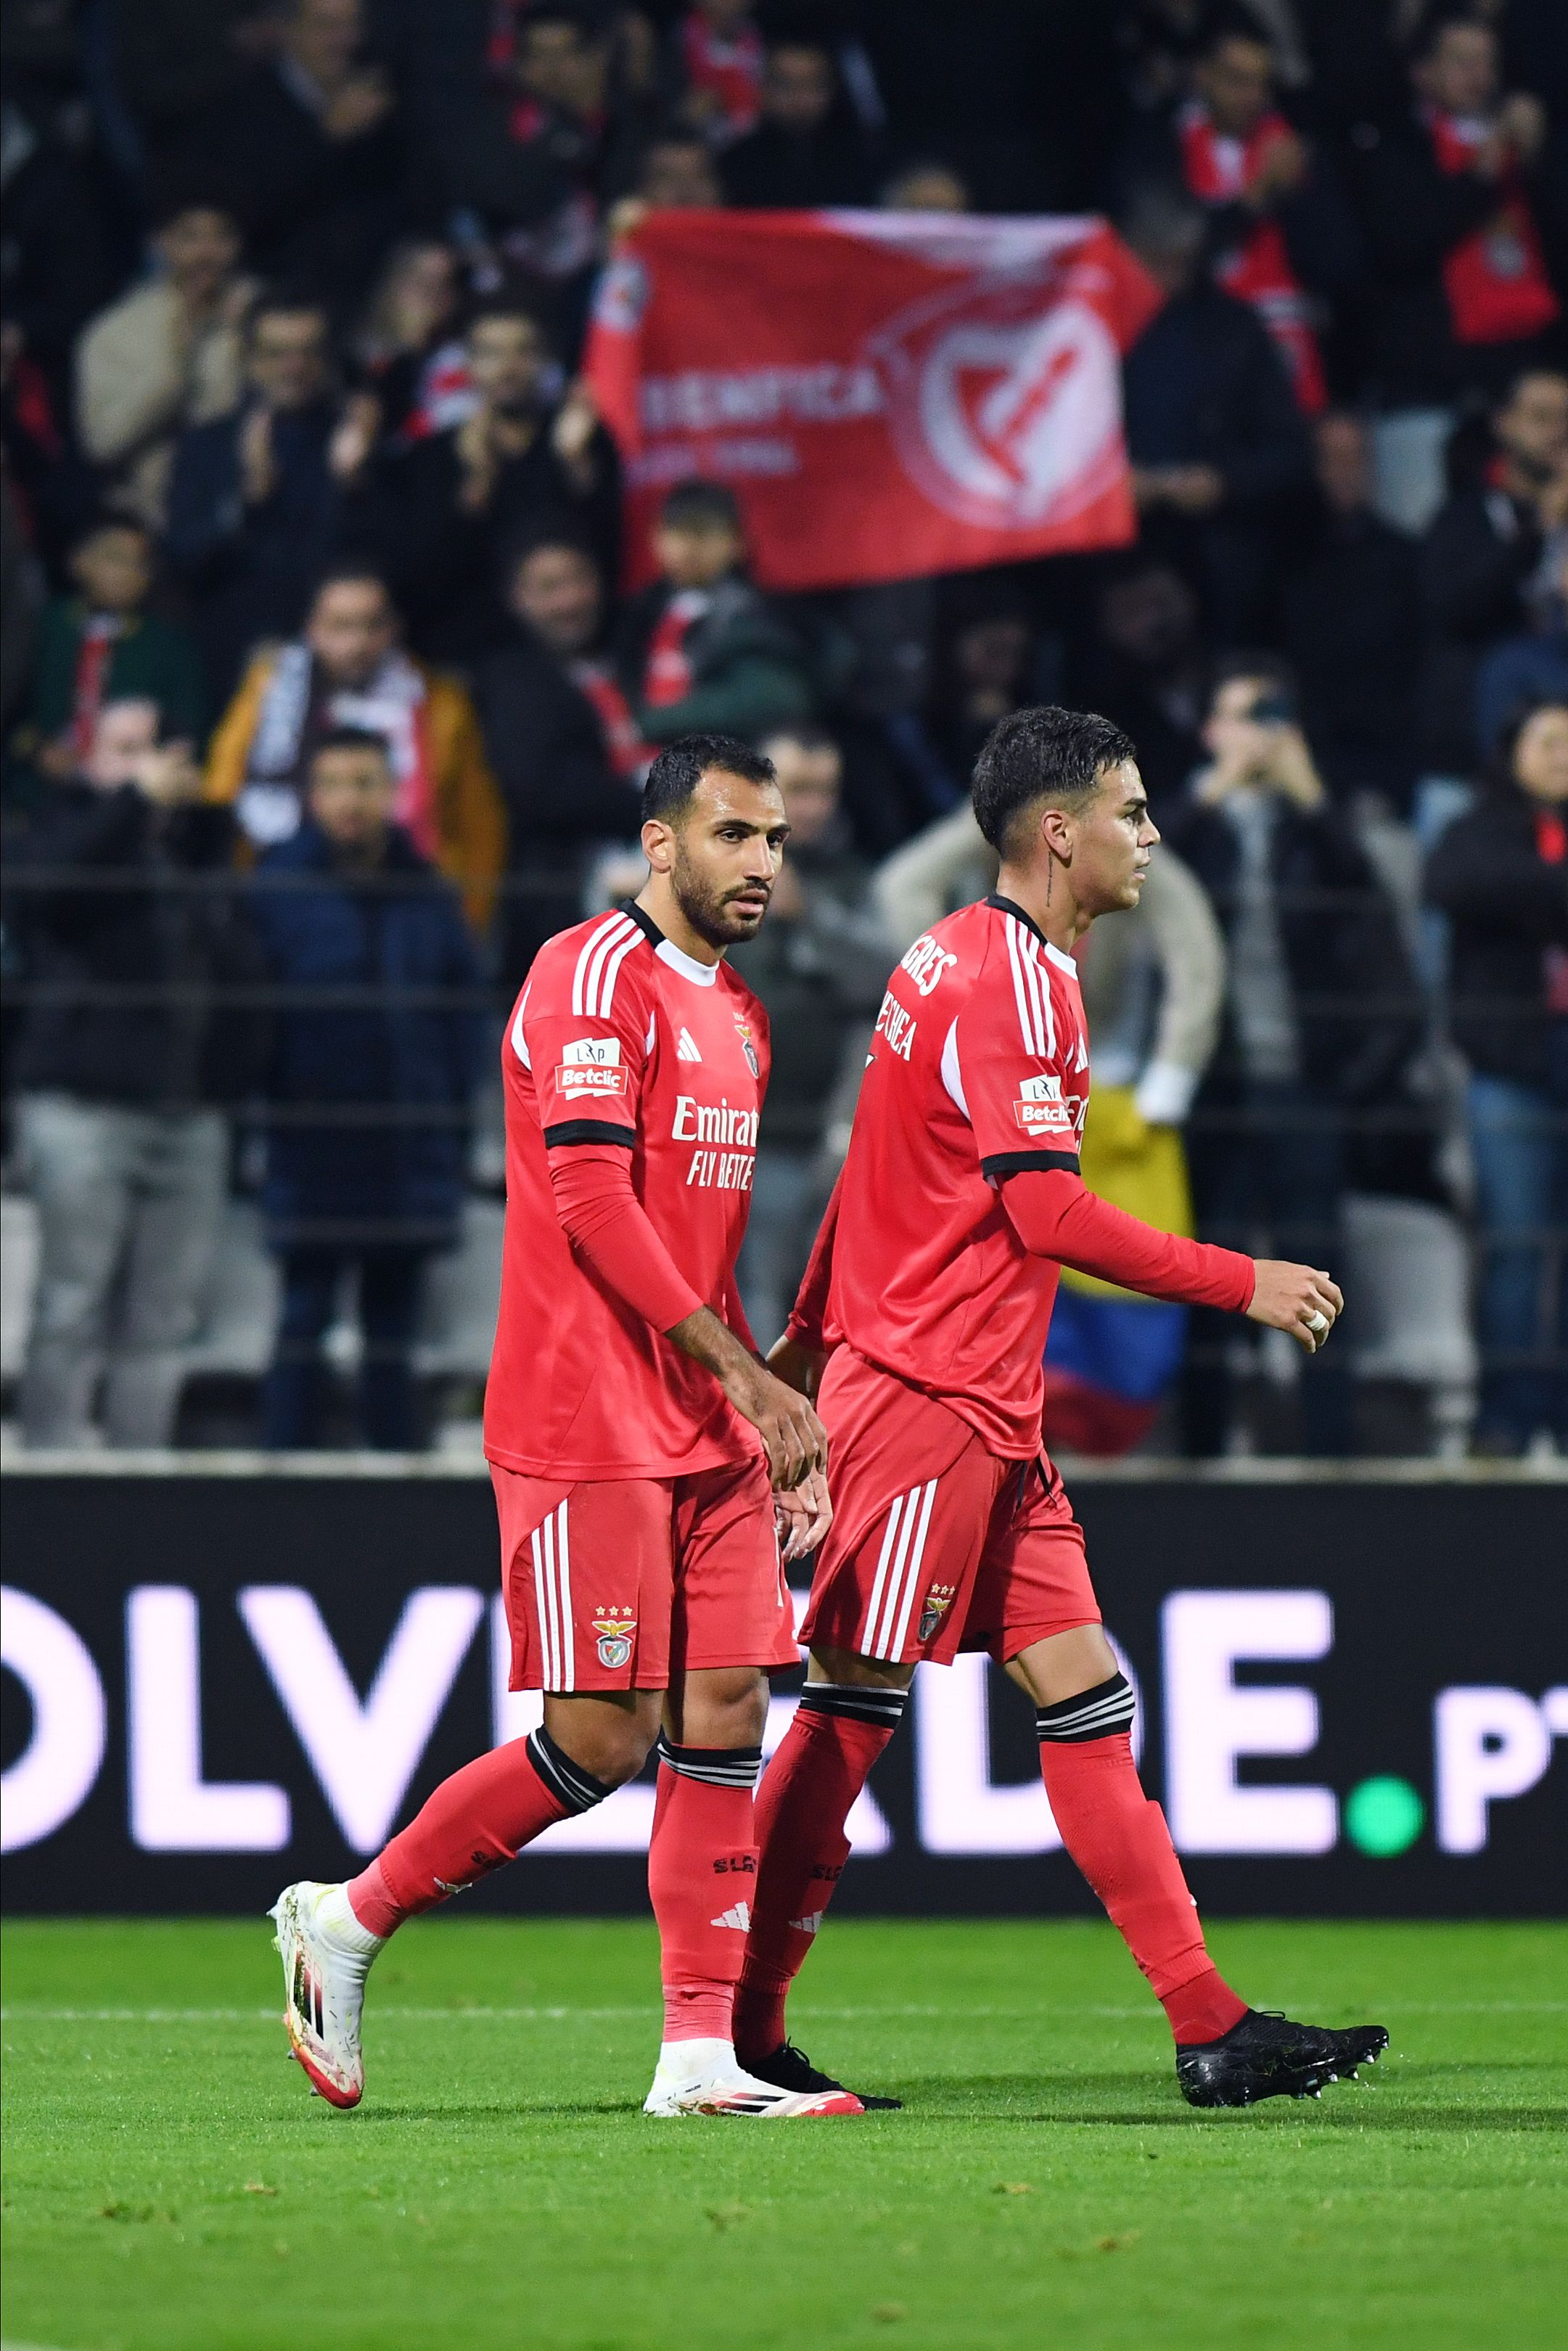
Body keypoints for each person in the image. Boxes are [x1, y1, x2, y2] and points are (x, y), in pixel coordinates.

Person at [735, 704, 1387, 2111]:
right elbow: (1041, 1211)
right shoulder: (1018, 982)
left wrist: (799, 1347)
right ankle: (731, 2032)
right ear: (1058, 832)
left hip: (982, 1405)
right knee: (848, 1705)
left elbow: (869, 1175)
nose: (1150, 837)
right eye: (1131, 813)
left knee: (1087, 1691)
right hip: (927, 1396)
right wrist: (1240, 1283)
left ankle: (1209, 2027)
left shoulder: (947, 957)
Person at [268, 734, 861, 2122]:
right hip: (583, 1413)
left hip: (701, 1418)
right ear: (661, 846)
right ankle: (346, 1920)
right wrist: (758, 1380)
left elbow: (700, 1247)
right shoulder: (587, 976)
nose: (762, 863)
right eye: (732, 836)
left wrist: (767, 1404)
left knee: (727, 1707)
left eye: (774, 840)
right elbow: (594, 1207)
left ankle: (700, 2063)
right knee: (601, 1738)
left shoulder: (745, 1016)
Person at [1163, 661, 1421, 1456]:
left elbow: (1367, 901)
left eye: (1271, 716)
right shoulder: (1185, 820)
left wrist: (1309, 794)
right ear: (1210, 730)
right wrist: (1216, 787)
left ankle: (1326, 1447)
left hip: (1303, 1082)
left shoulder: (1313, 826)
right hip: (1214, 1083)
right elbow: (1143, 878)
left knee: (1316, 1272)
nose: (1258, 734)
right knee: (1204, 1266)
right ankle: (1201, 1447)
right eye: (1242, 716)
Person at [9, 698, 261, 1448]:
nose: (149, 765)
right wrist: (128, 804)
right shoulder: (60, 829)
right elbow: (44, 894)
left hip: (188, 1114)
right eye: (125, 749)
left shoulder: (199, 850)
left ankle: (140, 1476)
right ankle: (52, 1478)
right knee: (69, 1306)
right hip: (83, 1110)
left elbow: (241, 971)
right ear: (91, 760)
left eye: (158, 748)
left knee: (161, 1320)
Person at [250, 726, 486, 1451]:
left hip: (405, 1144)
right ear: (311, 795)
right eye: (334, 783)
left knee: (395, 1333)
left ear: (393, 792)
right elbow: (253, 1024)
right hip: (308, 1146)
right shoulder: (274, 891)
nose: (350, 800)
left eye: (365, 782)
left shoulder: (430, 894)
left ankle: (396, 1494)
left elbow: (461, 1024)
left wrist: (451, 1133)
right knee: (302, 1320)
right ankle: (279, 1478)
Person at [202, 563, 506, 935]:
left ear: (394, 628)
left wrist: (468, 922)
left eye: (371, 625)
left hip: (409, 908)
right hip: (282, 906)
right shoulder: (269, 690)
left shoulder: (440, 706)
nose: (356, 643)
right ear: (311, 628)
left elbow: (478, 825)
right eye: (340, 626)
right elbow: (222, 790)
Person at [1356, 8, 1564, 530]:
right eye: (1462, 62)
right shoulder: (1391, 148)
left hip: (1527, 388)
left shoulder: (1527, 146)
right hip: (1431, 393)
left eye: (1487, 63)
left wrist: (1538, 166)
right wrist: (1478, 177)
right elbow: (1397, 247)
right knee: (1427, 544)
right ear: (1421, 72)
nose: (1479, 77)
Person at [1426, 699, 1568, 1455]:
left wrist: (1532, 898)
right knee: (1514, 1247)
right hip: (1510, 1065)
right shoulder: (1474, 826)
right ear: (1510, 750)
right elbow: (1452, 883)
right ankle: (1506, 1419)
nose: (1561, 755)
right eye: (1548, 740)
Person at [729, 726, 896, 1345]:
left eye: (824, 792)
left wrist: (808, 922)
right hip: (732, 1130)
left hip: (822, 1136)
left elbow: (891, 977)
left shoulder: (851, 881)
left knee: (803, 1300)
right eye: (797, 790)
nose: (813, 808)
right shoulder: (714, 875)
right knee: (748, 1298)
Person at [353, 299, 615, 665]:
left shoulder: (581, 442)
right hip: (473, 657)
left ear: (545, 360)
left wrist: (577, 467)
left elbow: (610, 550)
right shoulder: (436, 456)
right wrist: (473, 491)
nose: (508, 368)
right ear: (469, 365)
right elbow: (421, 577)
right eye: (492, 353)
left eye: (523, 351)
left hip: (575, 650)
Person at [163, 292, 379, 702]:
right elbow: (183, 560)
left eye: (308, 352)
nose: (293, 368)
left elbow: (394, 564)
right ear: (249, 358)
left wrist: (354, 486)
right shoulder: (207, 445)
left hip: (350, 664)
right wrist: (245, 501)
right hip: (238, 661)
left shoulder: (359, 441)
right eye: (276, 353)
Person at [1141, 9, 1360, 414]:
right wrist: (1250, 203)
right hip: (1199, 353)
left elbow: (1338, 268)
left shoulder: (1290, 148)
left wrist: (1301, 194)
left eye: (1263, 84)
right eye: (1238, 81)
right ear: (1202, 75)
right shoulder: (1160, 149)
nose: (1254, 98)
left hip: (1289, 358)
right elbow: (1165, 262)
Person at [1120, 187, 1312, 641]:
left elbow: (1292, 454)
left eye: (1182, 262)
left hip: (1222, 563)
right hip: (1114, 564)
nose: (1171, 279)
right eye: (1157, 261)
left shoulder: (1233, 329)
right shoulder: (1086, 328)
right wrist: (1111, 487)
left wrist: (1222, 481)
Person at [472, 528, 647, 986]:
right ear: (517, 598)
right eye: (550, 587)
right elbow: (542, 789)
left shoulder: (634, 658)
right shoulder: (511, 680)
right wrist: (662, 805)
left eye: (579, 580)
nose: (570, 600)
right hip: (562, 900)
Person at [171, 0, 402, 306]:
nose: (344, 39)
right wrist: (325, 139)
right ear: (289, 30)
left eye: (352, 25)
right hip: (274, 295)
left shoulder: (381, 102)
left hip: (366, 293)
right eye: (326, 25)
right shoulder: (238, 106)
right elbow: (243, 212)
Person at [1419, 368, 1568, 782]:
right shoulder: (1463, 520)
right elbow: (1454, 610)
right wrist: (1538, 526)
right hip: (1474, 762)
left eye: (1567, 419)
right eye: (1542, 417)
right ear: (1503, 423)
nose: (1558, 433)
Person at [73, 202, 252, 530]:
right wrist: (173, 371)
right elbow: (101, 443)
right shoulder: (116, 331)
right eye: (190, 237)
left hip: (249, 513)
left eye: (220, 237)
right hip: (153, 521)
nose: (205, 253)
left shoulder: (264, 315)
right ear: (162, 243)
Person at [1282, 410, 1424, 808]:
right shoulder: (1281, 561)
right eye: (1332, 459)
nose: (1345, 472)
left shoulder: (1404, 557)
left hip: (1386, 757)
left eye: (1356, 459)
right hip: (1306, 749)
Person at [617, 479, 816, 746]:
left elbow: (769, 697)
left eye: (703, 533)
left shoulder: (755, 612)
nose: (688, 548)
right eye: (676, 532)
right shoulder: (641, 609)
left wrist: (648, 725)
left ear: (738, 542)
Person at [22, 519, 207, 772]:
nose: (127, 572)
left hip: (124, 798)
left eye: (139, 563)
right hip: (31, 786)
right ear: (80, 561)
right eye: (115, 557)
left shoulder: (167, 647)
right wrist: (38, 749)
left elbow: (186, 732)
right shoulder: (45, 627)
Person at [720, 33, 874, 210]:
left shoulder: (862, 159)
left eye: (811, 85)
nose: (799, 97)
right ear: (764, 89)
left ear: (831, 90)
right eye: (787, 85)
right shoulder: (735, 165)